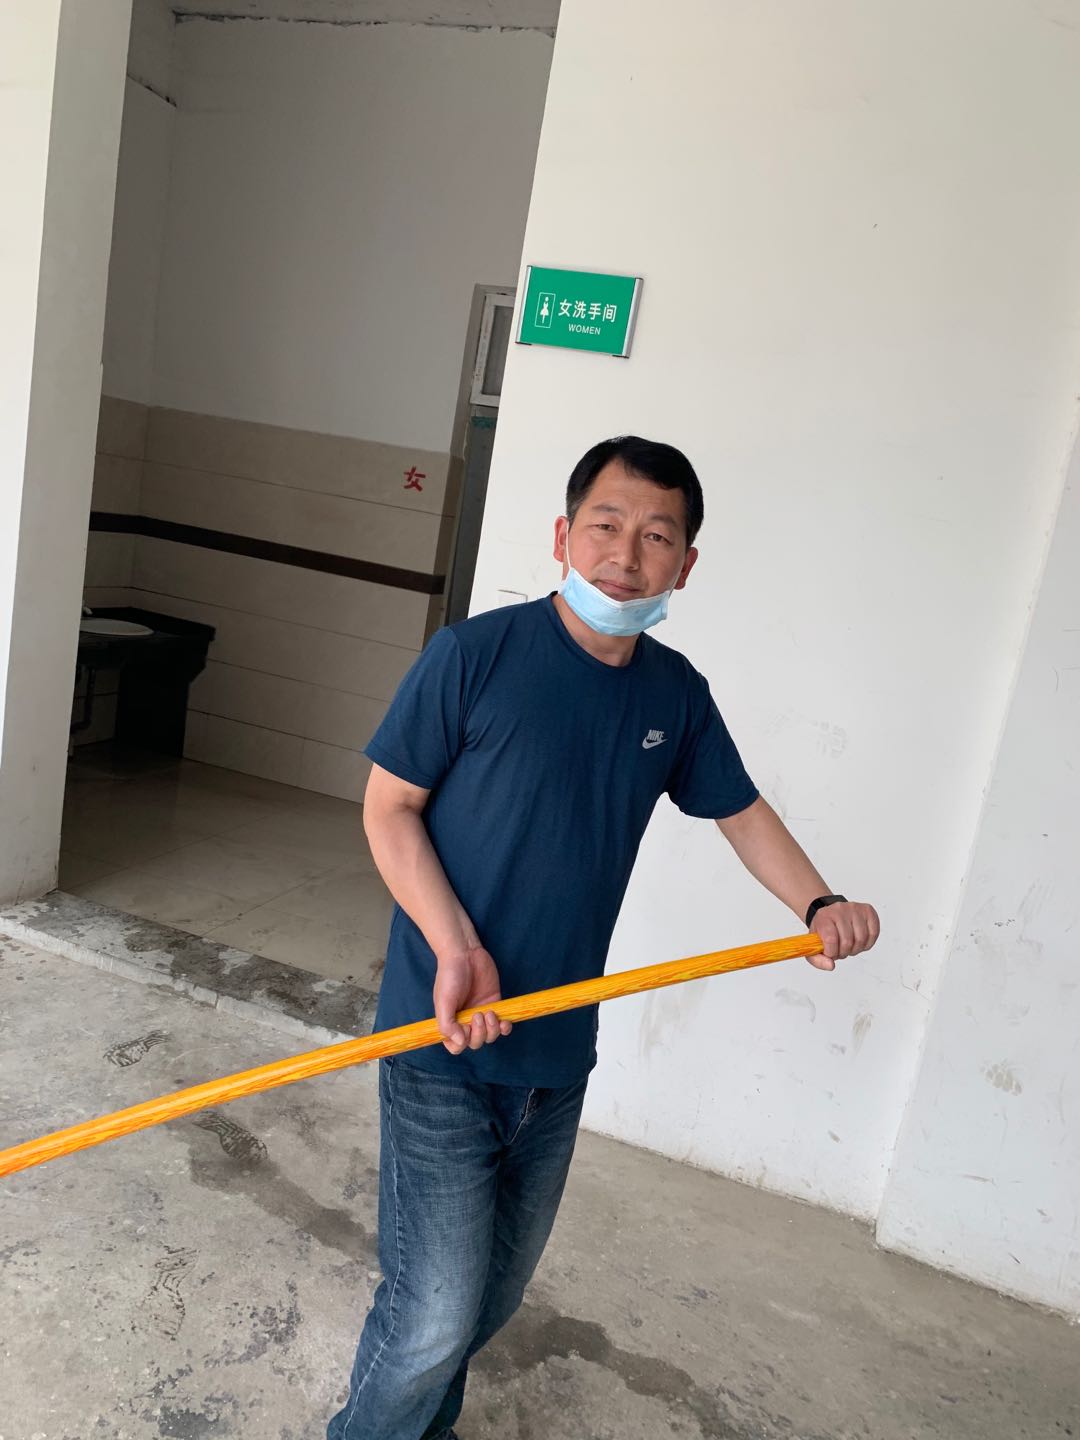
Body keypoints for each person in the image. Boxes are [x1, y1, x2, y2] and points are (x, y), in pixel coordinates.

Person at [326, 436, 880, 1440]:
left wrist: (818, 904)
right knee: (431, 1313)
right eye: (605, 525)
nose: (625, 554)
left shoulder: (673, 694)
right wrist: (455, 946)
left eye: (656, 536)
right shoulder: (474, 657)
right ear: (562, 536)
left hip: (555, 1050)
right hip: (440, 1034)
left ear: (685, 565)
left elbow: (740, 810)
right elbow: (388, 808)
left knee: (486, 1302)